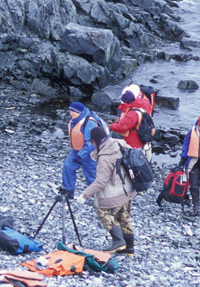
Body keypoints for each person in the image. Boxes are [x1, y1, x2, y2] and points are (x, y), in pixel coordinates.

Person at [76, 126, 137, 255]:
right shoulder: (120, 143)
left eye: (92, 142)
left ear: (96, 141)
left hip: (115, 191)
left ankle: (118, 241)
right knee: (124, 217)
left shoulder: (105, 157)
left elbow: (101, 182)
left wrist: (84, 195)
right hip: (128, 188)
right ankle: (129, 248)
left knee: (102, 212)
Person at [62, 102, 105, 199]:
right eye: (70, 111)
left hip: (89, 153)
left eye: (74, 112)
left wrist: (81, 155)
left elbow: (90, 143)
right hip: (76, 150)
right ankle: (68, 191)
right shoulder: (73, 121)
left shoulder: (89, 122)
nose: (71, 114)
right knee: (67, 167)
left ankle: (97, 197)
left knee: (91, 174)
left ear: (80, 112)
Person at [109, 88, 153, 161]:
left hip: (132, 144)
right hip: (140, 142)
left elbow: (121, 127)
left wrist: (109, 126)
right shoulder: (140, 108)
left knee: (131, 163)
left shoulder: (132, 114)